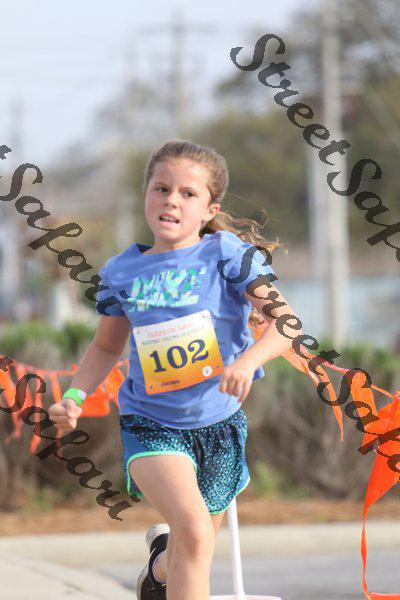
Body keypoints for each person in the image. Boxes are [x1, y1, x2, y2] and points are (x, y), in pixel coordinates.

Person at [48, 139, 300, 600]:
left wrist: (248, 361)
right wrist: (74, 397)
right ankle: (168, 561)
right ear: (146, 194)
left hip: (219, 424)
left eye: (188, 193)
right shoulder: (121, 272)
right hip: (151, 423)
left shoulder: (226, 254)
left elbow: (288, 325)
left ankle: (158, 567)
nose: (171, 201)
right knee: (196, 533)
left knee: (192, 546)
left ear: (209, 209)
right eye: (161, 188)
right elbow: (105, 347)